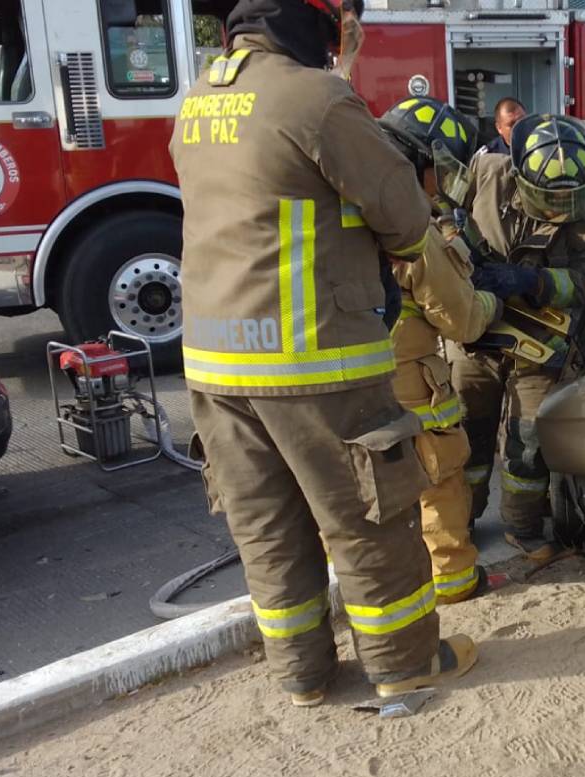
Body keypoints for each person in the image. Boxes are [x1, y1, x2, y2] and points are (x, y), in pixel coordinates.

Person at [168, 0, 477, 707]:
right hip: (314, 362)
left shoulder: (196, 101)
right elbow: (402, 216)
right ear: (313, 23)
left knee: (268, 527)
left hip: (216, 368)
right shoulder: (315, 97)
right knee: (367, 521)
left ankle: (303, 676)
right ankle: (405, 665)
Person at [449, 114, 585, 563]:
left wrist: (533, 281)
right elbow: (430, 198)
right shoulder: (486, 174)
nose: (561, 209)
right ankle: (458, 520)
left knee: (528, 441)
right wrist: (453, 247)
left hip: (541, 343)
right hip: (475, 337)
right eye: (550, 199)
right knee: (466, 435)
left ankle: (522, 527)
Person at [378, 96, 503, 604]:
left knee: (365, 488)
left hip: (340, 378)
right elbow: (463, 320)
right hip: (408, 379)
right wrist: (492, 296)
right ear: (421, 163)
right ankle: (453, 585)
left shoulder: (335, 206)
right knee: (438, 479)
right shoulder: (411, 225)